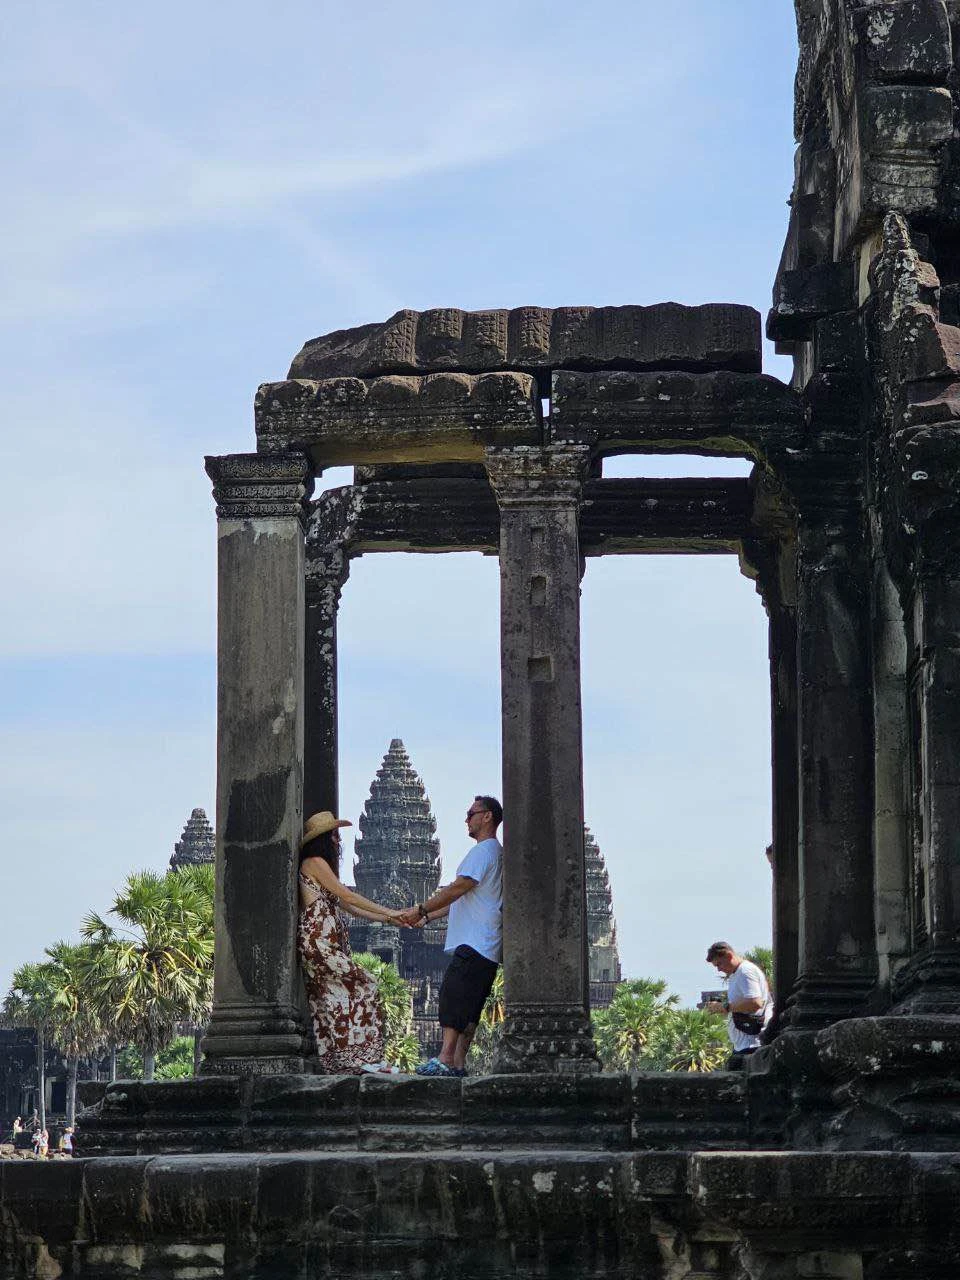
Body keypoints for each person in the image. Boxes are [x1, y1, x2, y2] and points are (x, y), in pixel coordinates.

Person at [297, 810, 407, 1074]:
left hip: (326, 943)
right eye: (334, 835)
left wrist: (388, 919)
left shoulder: (322, 867)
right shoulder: (313, 862)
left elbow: (347, 905)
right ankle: (361, 1059)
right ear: (322, 838)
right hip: (318, 943)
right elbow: (349, 895)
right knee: (365, 983)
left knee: (329, 1000)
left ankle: (346, 1062)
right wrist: (390, 911)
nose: (338, 841)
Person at [400, 795, 503, 1077]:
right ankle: (458, 1064)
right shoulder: (495, 853)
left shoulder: (483, 851)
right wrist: (427, 916)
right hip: (488, 945)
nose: (466, 819)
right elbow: (463, 898)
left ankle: (445, 1058)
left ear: (487, 817)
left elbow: (459, 888)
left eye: (471, 814)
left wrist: (421, 907)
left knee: (452, 998)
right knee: (469, 1007)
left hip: (474, 941)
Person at [704, 941, 771, 1060]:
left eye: (719, 964)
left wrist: (725, 1007)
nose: (719, 969)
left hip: (751, 1044)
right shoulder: (736, 974)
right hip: (743, 1044)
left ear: (729, 956)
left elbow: (755, 1002)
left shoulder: (745, 971)